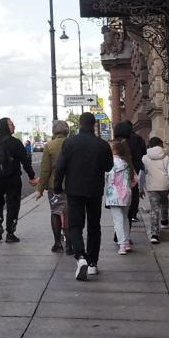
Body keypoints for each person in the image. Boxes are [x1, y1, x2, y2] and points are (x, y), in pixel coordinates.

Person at [53, 112, 113, 280]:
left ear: (79, 124)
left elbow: (60, 167)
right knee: (94, 226)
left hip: (74, 190)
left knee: (76, 225)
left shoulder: (69, 143)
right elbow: (109, 167)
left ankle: (80, 257)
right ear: (94, 125)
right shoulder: (102, 144)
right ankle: (92, 263)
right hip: (94, 190)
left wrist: (57, 187)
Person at [0, 117, 36, 242]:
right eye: (11, 124)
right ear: (5, 127)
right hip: (13, 178)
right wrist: (32, 177)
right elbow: (25, 162)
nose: (14, 126)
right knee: (13, 204)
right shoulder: (15, 142)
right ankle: (10, 233)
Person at [34, 119, 70, 253]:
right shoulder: (72, 143)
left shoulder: (49, 146)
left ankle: (57, 243)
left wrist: (40, 189)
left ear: (54, 131)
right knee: (68, 214)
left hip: (54, 186)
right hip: (71, 184)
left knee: (55, 212)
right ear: (67, 130)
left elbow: (45, 170)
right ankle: (70, 244)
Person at [142, 136, 169, 244]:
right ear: (160, 145)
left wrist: (140, 187)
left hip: (152, 186)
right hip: (164, 185)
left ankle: (154, 234)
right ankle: (164, 220)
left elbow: (142, 174)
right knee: (164, 202)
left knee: (154, 209)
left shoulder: (144, 158)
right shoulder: (165, 157)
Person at [113, 120, 147, 231]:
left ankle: (119, 234)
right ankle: (126, 231)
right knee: (131, 203)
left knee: (118, 208)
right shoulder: (138, 139)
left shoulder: (115, 144)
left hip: (117, 179)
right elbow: (143, 155)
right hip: (133, 175)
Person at [105, 139, 136, 255]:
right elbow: (135, 180)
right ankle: (127, 241)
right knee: (125, 218)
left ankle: (122, 245)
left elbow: (109, 178)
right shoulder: (127, 163)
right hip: (126, 194)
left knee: (117, 220)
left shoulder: (111, 163)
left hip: (114, 195)